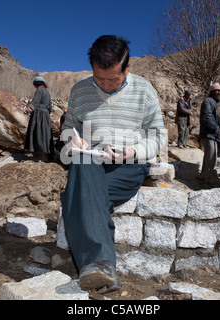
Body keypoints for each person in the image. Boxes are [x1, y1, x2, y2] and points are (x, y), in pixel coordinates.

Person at [60, 35, 167, 293]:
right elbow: (68, 126)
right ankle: (102, 266)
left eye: (113, 79)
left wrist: (132, 151)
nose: (106, 85)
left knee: (76, 197)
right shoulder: (79, 90)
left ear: (127, 68)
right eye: (99, 78)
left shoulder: (144, 91)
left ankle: (95, 264)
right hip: (90, 162)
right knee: (83, 163)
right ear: (91, 69)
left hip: (128, 166)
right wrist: (71, 140)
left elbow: (158, 135)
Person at [24, 77, 54, 161]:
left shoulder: (39, 90)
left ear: (36, 84)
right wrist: (47, 114)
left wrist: (29, 109)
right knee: (45, 133)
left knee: (37, 132)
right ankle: (45, 153)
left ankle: (38, 154)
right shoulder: (47, 92)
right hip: (46, 114)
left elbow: (35, 102)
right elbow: (50, 107)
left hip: (39, 114)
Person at [199, 83, 220, 177]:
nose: (218, 92)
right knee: (210, 158)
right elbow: (206, 118)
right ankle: (206, 178)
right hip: (209, 134)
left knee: (211, 158)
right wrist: (216, 128)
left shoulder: (212, 102)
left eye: (219, 91)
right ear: (211, 92)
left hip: (212, 134)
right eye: (216, 90)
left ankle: (207, 177)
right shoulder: (208, 102)